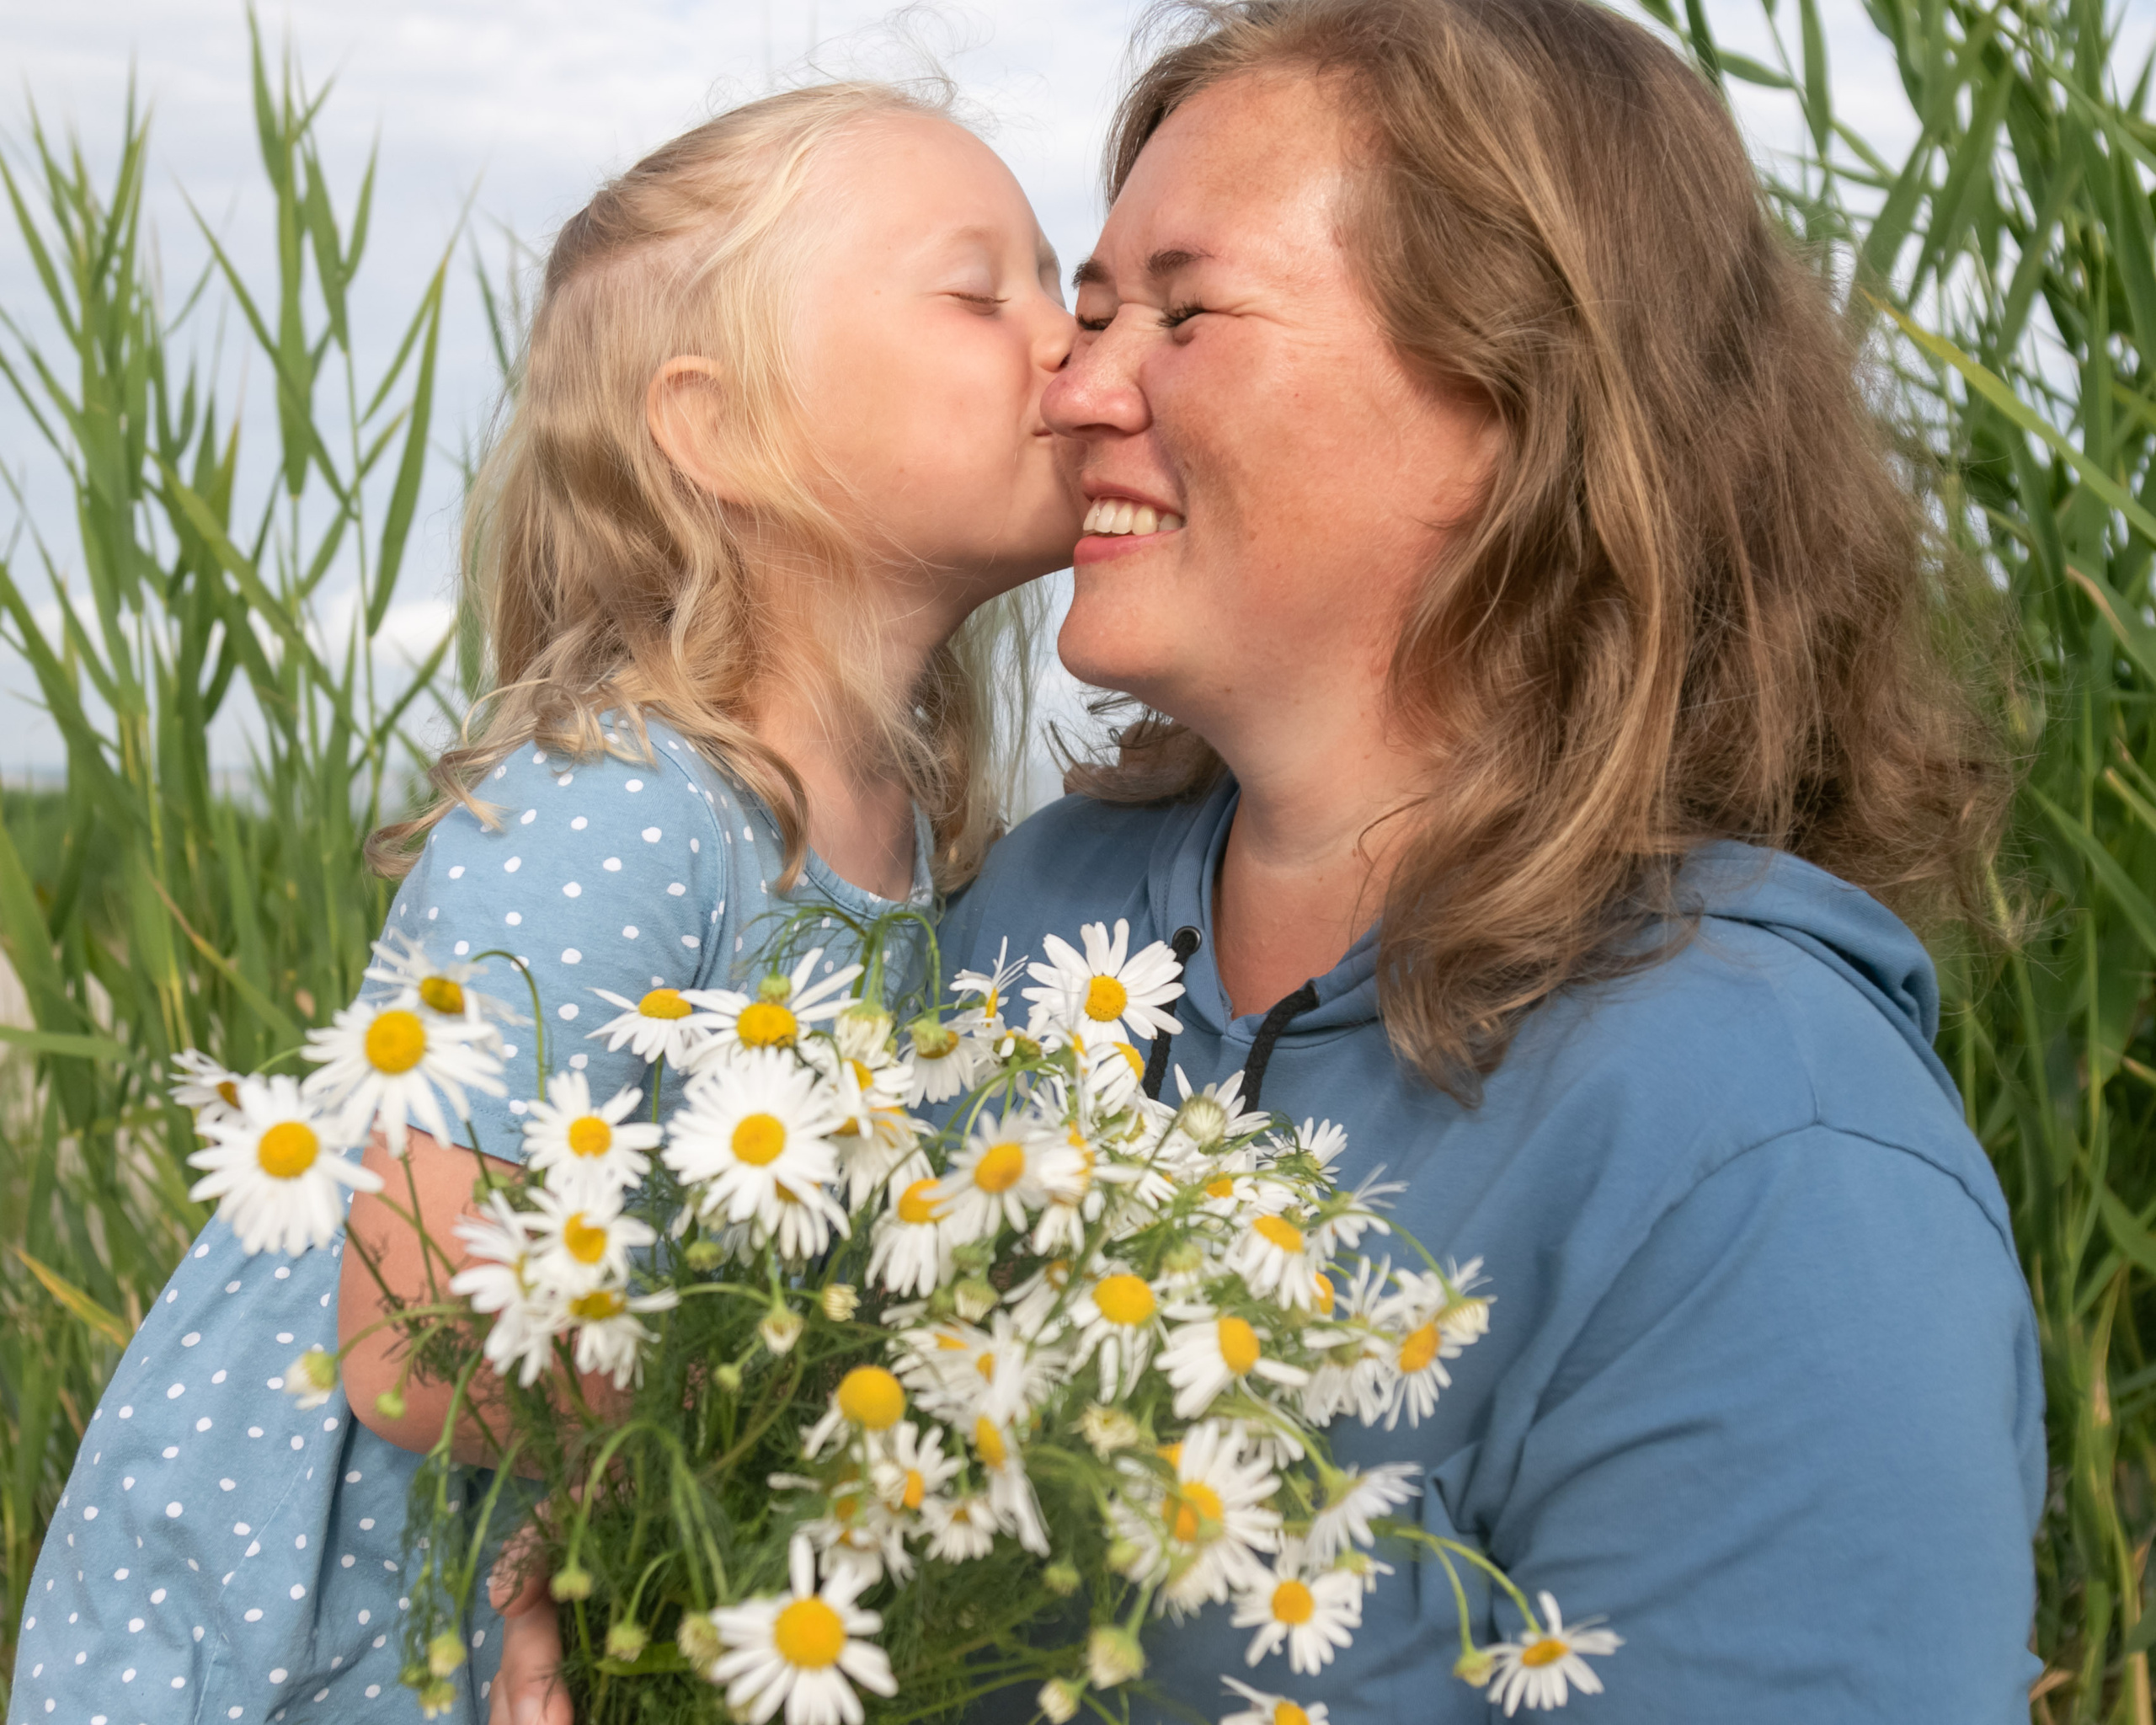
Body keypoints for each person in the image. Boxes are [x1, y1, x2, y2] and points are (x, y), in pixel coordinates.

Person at [491, 0, 2044, 1719]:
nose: (1071, 391)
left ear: (1510, 400)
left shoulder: (1764, 1157)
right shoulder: (1020, 922)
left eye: (1181, 310)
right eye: (1084, 314)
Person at [6, 79, 1075, 1725]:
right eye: (977, 286)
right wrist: (760, 1436)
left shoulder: (911, 837)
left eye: (1055, 273)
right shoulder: (621, 804)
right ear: (717, 429)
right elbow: (412, 1327)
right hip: (288, 1651)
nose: (1066, 332)